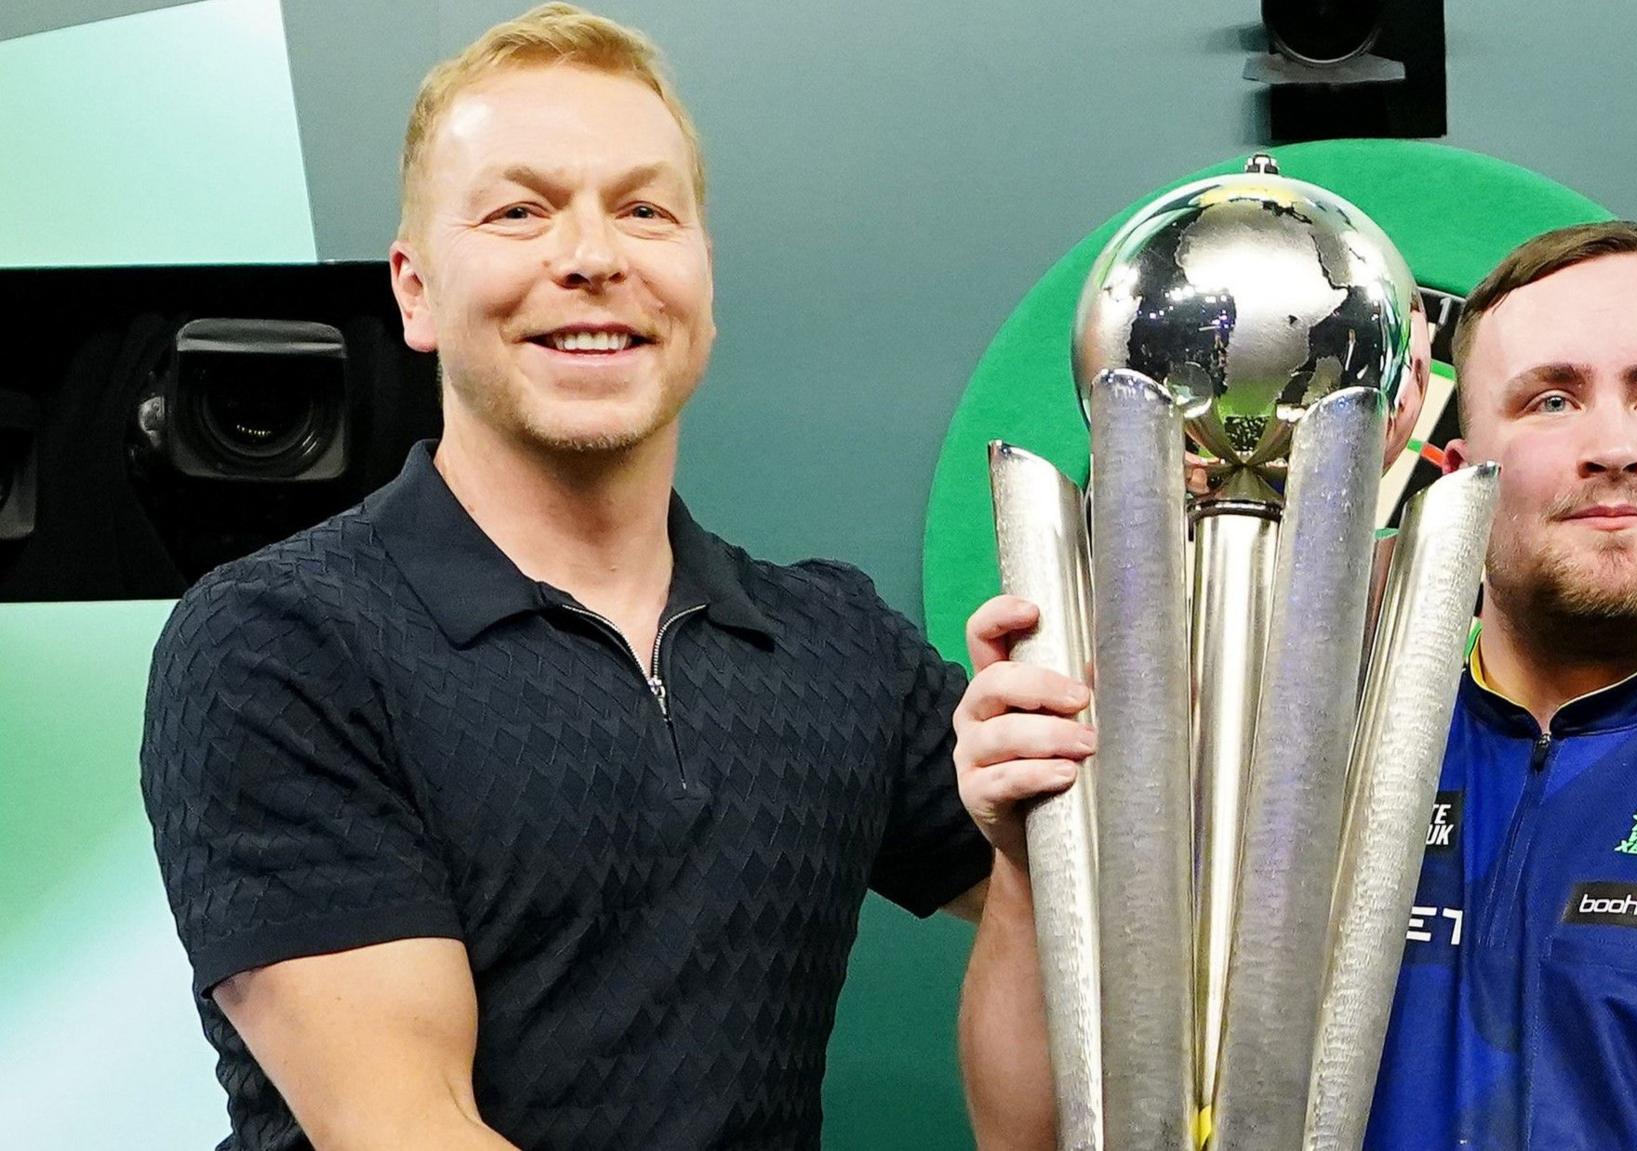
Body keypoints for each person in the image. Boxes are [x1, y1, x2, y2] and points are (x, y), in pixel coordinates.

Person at [139, 6, 1040, 1149]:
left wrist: (1021, 864)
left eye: (643, 210)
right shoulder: (279, 643)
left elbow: (1050, 1121)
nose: (592, 256)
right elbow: (407, 1127)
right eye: (519, 211)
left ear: (702, 288)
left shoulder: (836, 643)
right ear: (414, 290)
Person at [956, 221, 1637, 1150]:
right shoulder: (1276, 757)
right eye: (1550, 398)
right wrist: (1027, 858)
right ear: (1457, 472)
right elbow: (1036, 1136)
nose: (1611, 445)